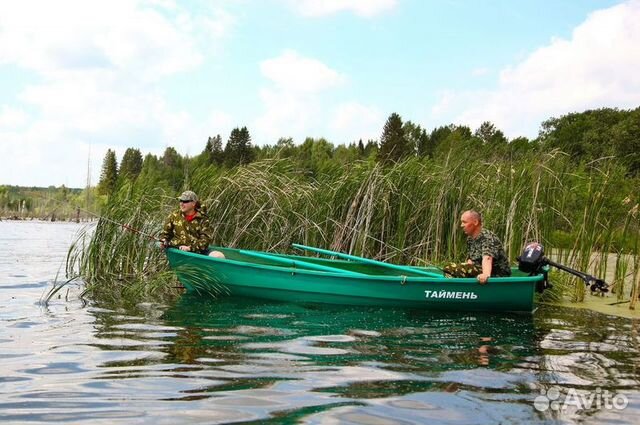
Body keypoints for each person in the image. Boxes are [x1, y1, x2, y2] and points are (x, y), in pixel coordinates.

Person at [443, 210, 510, 284]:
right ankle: (457, 288)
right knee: (448, 268)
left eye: (464, 222)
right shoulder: (470, 239)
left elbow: (487, 258)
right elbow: (470, 260)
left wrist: (486, 275)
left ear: (475, 222)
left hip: (496, 274)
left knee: (451, 268)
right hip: (478, 270)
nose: (461, 225)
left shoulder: (487, 237)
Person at [159, 190, 225, 258]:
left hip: (198, 252)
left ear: (193, 203)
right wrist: (163, 240)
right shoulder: (174, 216)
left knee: (219, 256)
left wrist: (190, 248)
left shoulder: (203, 219)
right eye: (180, 201)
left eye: (185, 201)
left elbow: (205, 241)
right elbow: (165, 234)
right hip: (179, 250)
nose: (181, 204)